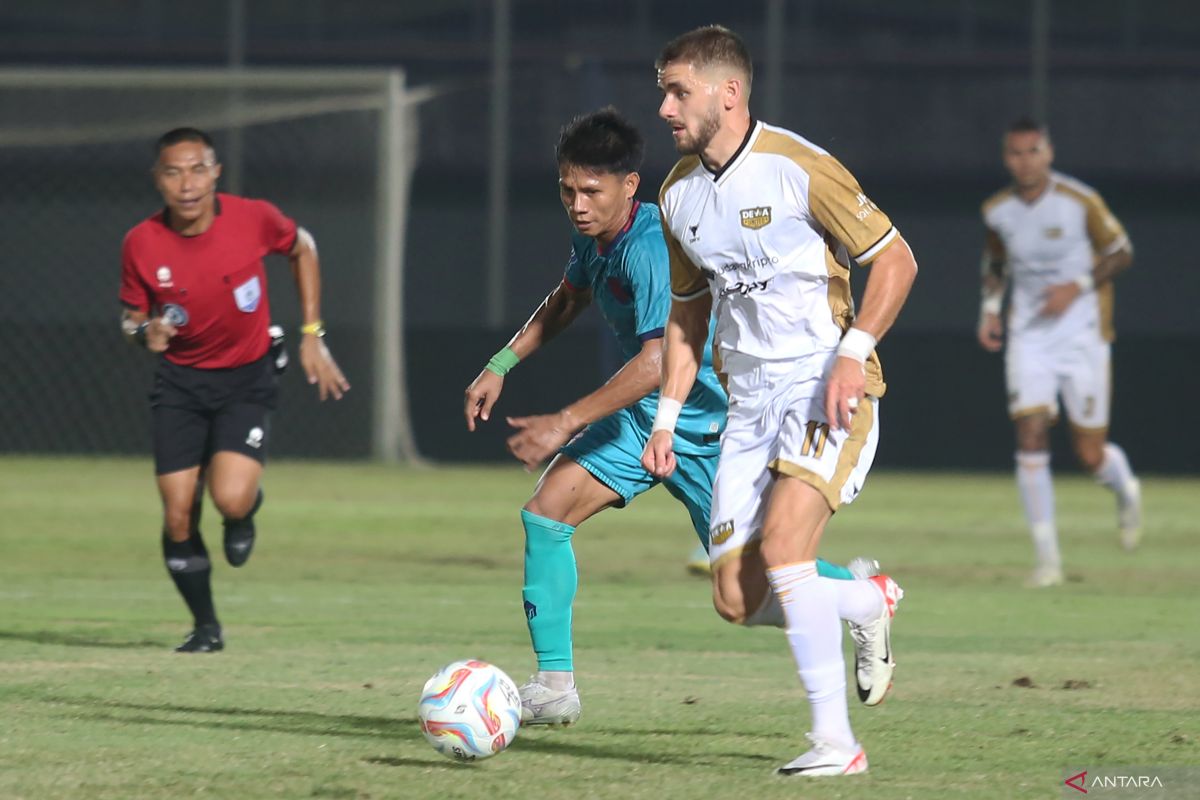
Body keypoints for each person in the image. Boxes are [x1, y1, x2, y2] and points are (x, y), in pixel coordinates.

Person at [463, 108, 866, 727]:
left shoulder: (651, 246)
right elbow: (568, 297)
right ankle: (554, 686)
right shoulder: (594, 235)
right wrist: (502, 361)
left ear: (630, 185)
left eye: (591, 191)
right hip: (640, 423)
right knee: (546, 514)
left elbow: (656, 362)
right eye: (567, 189)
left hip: (706, 429)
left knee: (751, 587)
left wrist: (566, 419)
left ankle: (861, 596)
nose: (577, 204)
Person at [642, 26, 919, 777]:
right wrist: (666, 418)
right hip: (749, 407)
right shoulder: (676, 196)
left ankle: (837, 745)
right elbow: (688, 312)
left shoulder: (801, 168)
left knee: (788, 551)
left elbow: (896, 258)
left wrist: (853, 355)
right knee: (735, 597)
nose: (664, 107)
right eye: (663, 91)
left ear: (728, 93)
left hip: (824, 383)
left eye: (677, 90)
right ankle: (865, 601)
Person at [119, 127, 349, 653]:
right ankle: (206, 627)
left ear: (215, 173)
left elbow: (303, 247)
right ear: (158, 179)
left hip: (246, 377)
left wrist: (312, 333)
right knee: (177, 512)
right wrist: (144, 331)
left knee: (228, 496)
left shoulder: (253, 218)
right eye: (173, 171)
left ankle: (241, 510)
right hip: (179, 383)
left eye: (197, 168)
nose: (187, 183)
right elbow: (131, 318)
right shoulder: (141, 242)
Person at [978, 117, 1141, 588]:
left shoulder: (1079, 201)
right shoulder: (997, 210)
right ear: (1006, 158)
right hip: (1029, 335)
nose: (1024, 161)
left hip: (1083, 333)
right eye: (1015, 153)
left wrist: (1078, 286)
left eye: (1033, 151)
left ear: (1048, 154)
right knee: (1030, 433)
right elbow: (995, 261)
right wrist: (990, 309)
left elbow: (1122, 250)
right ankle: (1048, 561)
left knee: (1089, 453)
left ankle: (1124, 486)